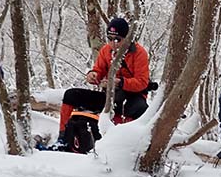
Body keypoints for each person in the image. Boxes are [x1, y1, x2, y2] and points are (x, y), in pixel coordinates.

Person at [55, 17, 151, 146]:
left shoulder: (139, 53)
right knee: (71, 95)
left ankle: (126, 142)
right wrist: (93, 75)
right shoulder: (106, 50)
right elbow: (98, 70)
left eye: (117, 39)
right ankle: (63, 138)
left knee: (138, 108)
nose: (113, 43)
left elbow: (142, 82)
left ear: (126, 39)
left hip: (132, 97)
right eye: (110, 39)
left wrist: (121, 82)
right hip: (108, 96)